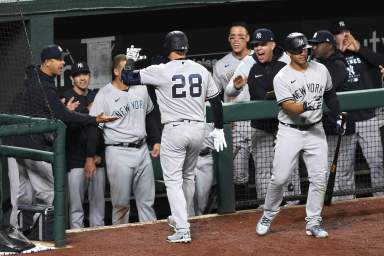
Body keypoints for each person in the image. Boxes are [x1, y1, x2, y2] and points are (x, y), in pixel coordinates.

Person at [122, 31, 226, 243]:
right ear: (185, 48)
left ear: (168, 48)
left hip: (175, 130)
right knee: (188, 176)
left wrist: (130, 60)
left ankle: (182, 228)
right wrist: (219, 128)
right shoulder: (201, 69)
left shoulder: (161, 70)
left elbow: (127, 78)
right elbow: (216, 101)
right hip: (199, 130)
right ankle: (182, 217)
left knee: (173, 180)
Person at [256, 32, 343, 238]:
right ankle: (268, 214)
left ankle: (313, 221)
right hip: (290, 131)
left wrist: (337, 115)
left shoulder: (320, 69)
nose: (302, 53)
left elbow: (330, 94)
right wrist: (305, 105)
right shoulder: (282, 77)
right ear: (288, 53)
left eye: (304, 49)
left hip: (315, 130)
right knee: (279, 178)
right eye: (297, 51)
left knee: (319, 178)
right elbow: (288, 107)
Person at [14, 45, 116, 208]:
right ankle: (46, 234)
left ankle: (18, 230)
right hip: (34, 145)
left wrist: (61, 111)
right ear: (47, 62)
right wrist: (94, 119)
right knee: (47, 194)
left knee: (24, 195)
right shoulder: (44, 84)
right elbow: (64, 116)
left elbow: (43, 111)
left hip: (20, 145)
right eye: (59, 59)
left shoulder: (36, 79)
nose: (63, 63)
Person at [225, 28, 301, 206]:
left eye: (263, 45)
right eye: (256, 45)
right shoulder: (248, 62)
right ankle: (265, 205)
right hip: (261, 126)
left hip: (286, 124)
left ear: (273, 45)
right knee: (263, 170)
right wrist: (236, 87)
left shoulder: (286, 60)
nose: (258, 49)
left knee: (290, 166)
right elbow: (229, 90)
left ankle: (292, 204)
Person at [85, 54, 161, 225]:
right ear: (116, 71)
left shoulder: (140, 88)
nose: (130, 72)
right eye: (126, 68)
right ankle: (120, 243)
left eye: (131, 69)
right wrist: (90, 156)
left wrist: (155, 140)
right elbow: (94, 128)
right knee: (121, 204)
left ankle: (152, 243)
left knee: (147, 202)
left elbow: (150, 116)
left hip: (142, 150)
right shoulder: (104, 94)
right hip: (118, 151)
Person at [330, 20, 384, 196]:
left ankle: (380, 196)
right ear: (332, 37)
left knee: (377, 162)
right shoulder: (331, 58)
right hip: (345, 118)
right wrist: (338, 52)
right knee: (344, 167)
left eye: (347, 31)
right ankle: (346, 202)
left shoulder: (362, 54)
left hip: (367, 117)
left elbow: (381, 61)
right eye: (339, 32)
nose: (344, 35)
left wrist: (359, 48)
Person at [309, 30, 356, 202]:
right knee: (327, 169)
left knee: (342, 171)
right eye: (312, 44)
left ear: (329, 45)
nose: (313, 47)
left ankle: (347, 205)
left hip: (342, 125)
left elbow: (323, 89)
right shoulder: (317, 63)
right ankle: (334, 206)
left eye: (317, 44)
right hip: (326, 126)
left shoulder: (338, 65)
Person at [62, 62, 106, 228]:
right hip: (76, 161)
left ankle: (100, 247)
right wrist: (86, 112)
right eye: (79, 75)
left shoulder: (97, 97)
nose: (83, 78)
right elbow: (66, 129)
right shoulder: (66, 98)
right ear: (72, 78)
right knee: (76, 210)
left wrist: (99, 154)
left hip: (96, 160)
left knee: (98, 211)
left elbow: (103, 128)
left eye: (85, 74)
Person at [212, 22, 253, 191]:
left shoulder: (258, 58)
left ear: (248, 39)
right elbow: (214, 97)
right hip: (235, 125)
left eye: (241, 37)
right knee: (238, 175)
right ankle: (243, 210)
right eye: (232, 37)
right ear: (229, 39)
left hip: (258, 123)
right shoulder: (221, 64)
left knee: (266, 167)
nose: (236, 40)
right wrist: (225, 120)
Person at [193, 122, 215, 216]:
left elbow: (230, 125)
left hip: (206, 157)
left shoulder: (215, 109)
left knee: (202, 201)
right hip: (187, 157)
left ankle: (198, 225)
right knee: (188, 198)